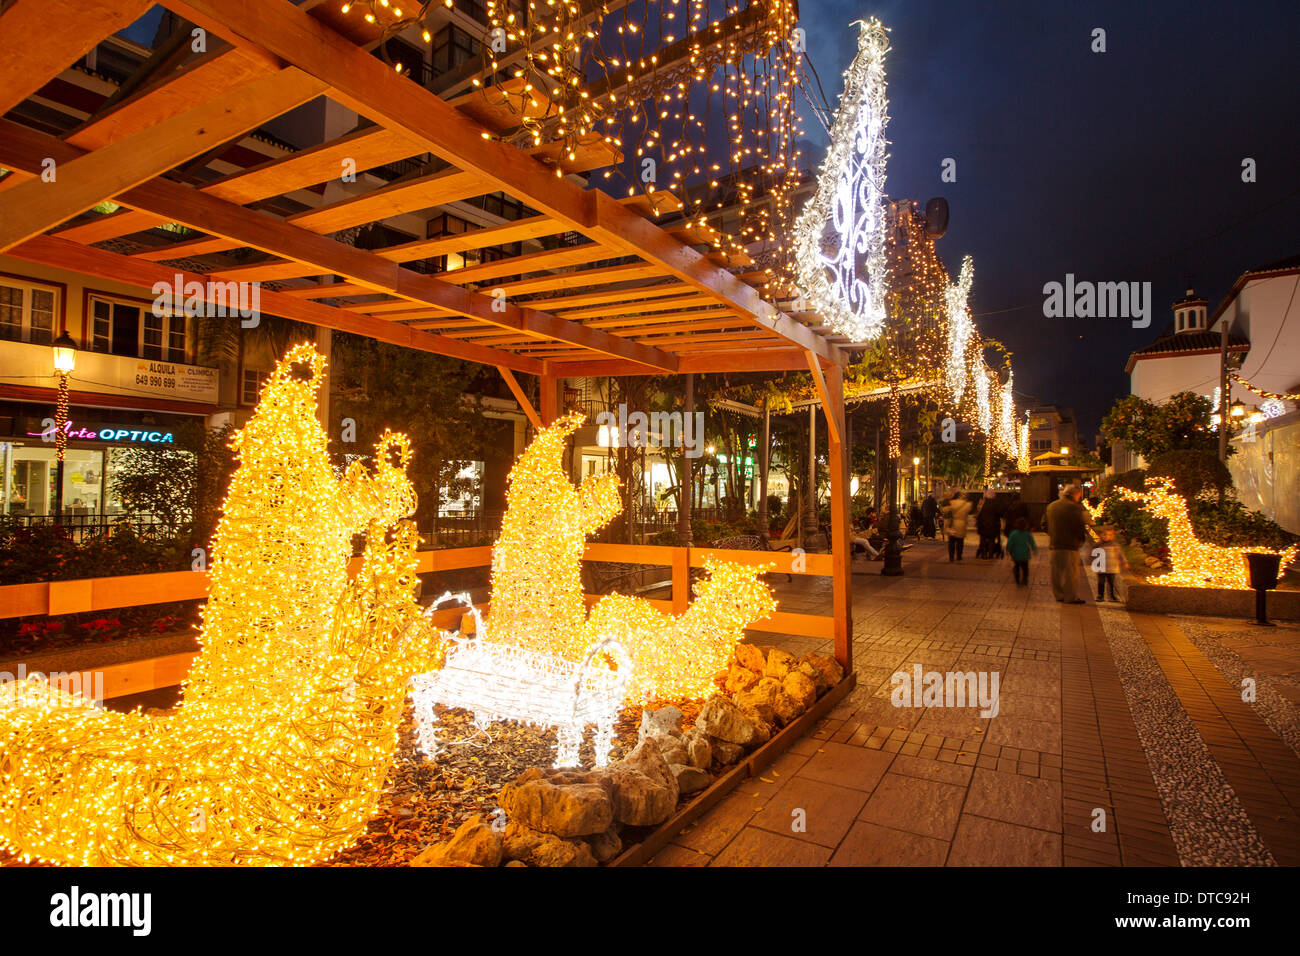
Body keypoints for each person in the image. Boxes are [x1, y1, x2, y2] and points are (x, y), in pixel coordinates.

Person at [1045, 483, 1089, 603]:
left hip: (1055, 543)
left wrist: (1052, 534)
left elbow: (1044, 524)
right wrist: (1081, 540)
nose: (1079, 498)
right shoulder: (1074, 507)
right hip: (1070, 545)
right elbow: (1079, 525)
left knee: (1056, 572)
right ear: (1075, 494)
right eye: (1079, 495)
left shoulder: (1051, 506)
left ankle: (1059, 595)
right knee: (1070, 573)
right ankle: (1070, 596)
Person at [1094, 526, 1128, 602]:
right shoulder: (1098, 545)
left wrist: (1124, 562)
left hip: (1112, 567)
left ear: (1113, 536)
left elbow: (1120, 554)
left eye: (1109, 535)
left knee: (1111, 583)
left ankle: (1112, 596)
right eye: (1105, 534)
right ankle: (1100, 595)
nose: (1107, 537)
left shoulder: (1115, 545)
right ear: (1101, 535)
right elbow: (1094, 553)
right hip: (1101, 567)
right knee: (1101, 582)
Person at [940, 491, 972, 562]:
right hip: (962, 524)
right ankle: (959, 556)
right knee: (960, 541)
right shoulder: (967, 504)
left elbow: (944, 510)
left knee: (951, 541)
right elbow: (968, 511)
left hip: (953, 524)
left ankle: (951, 557)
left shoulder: (952, 503)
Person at [1006, 516, 1037, 586]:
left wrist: (1007, 550)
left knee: (1017, 567)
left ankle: (1017, 580)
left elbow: (1010, 542)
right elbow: (1032, 543)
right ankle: (1025, 579)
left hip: (1016, 554)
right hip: (1025, 554)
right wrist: (1034, 549)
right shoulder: (1027, 534)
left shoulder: (1013, 534)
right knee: (1025, 568)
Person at [975, 489, 1002, 559]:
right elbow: (999, 514)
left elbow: (978, 514)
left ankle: (984, 554)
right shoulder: (996, 504)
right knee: (991, 540)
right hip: (993, 525)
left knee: (983, 539)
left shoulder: (982, 503)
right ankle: (990, 554)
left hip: (982, 525)